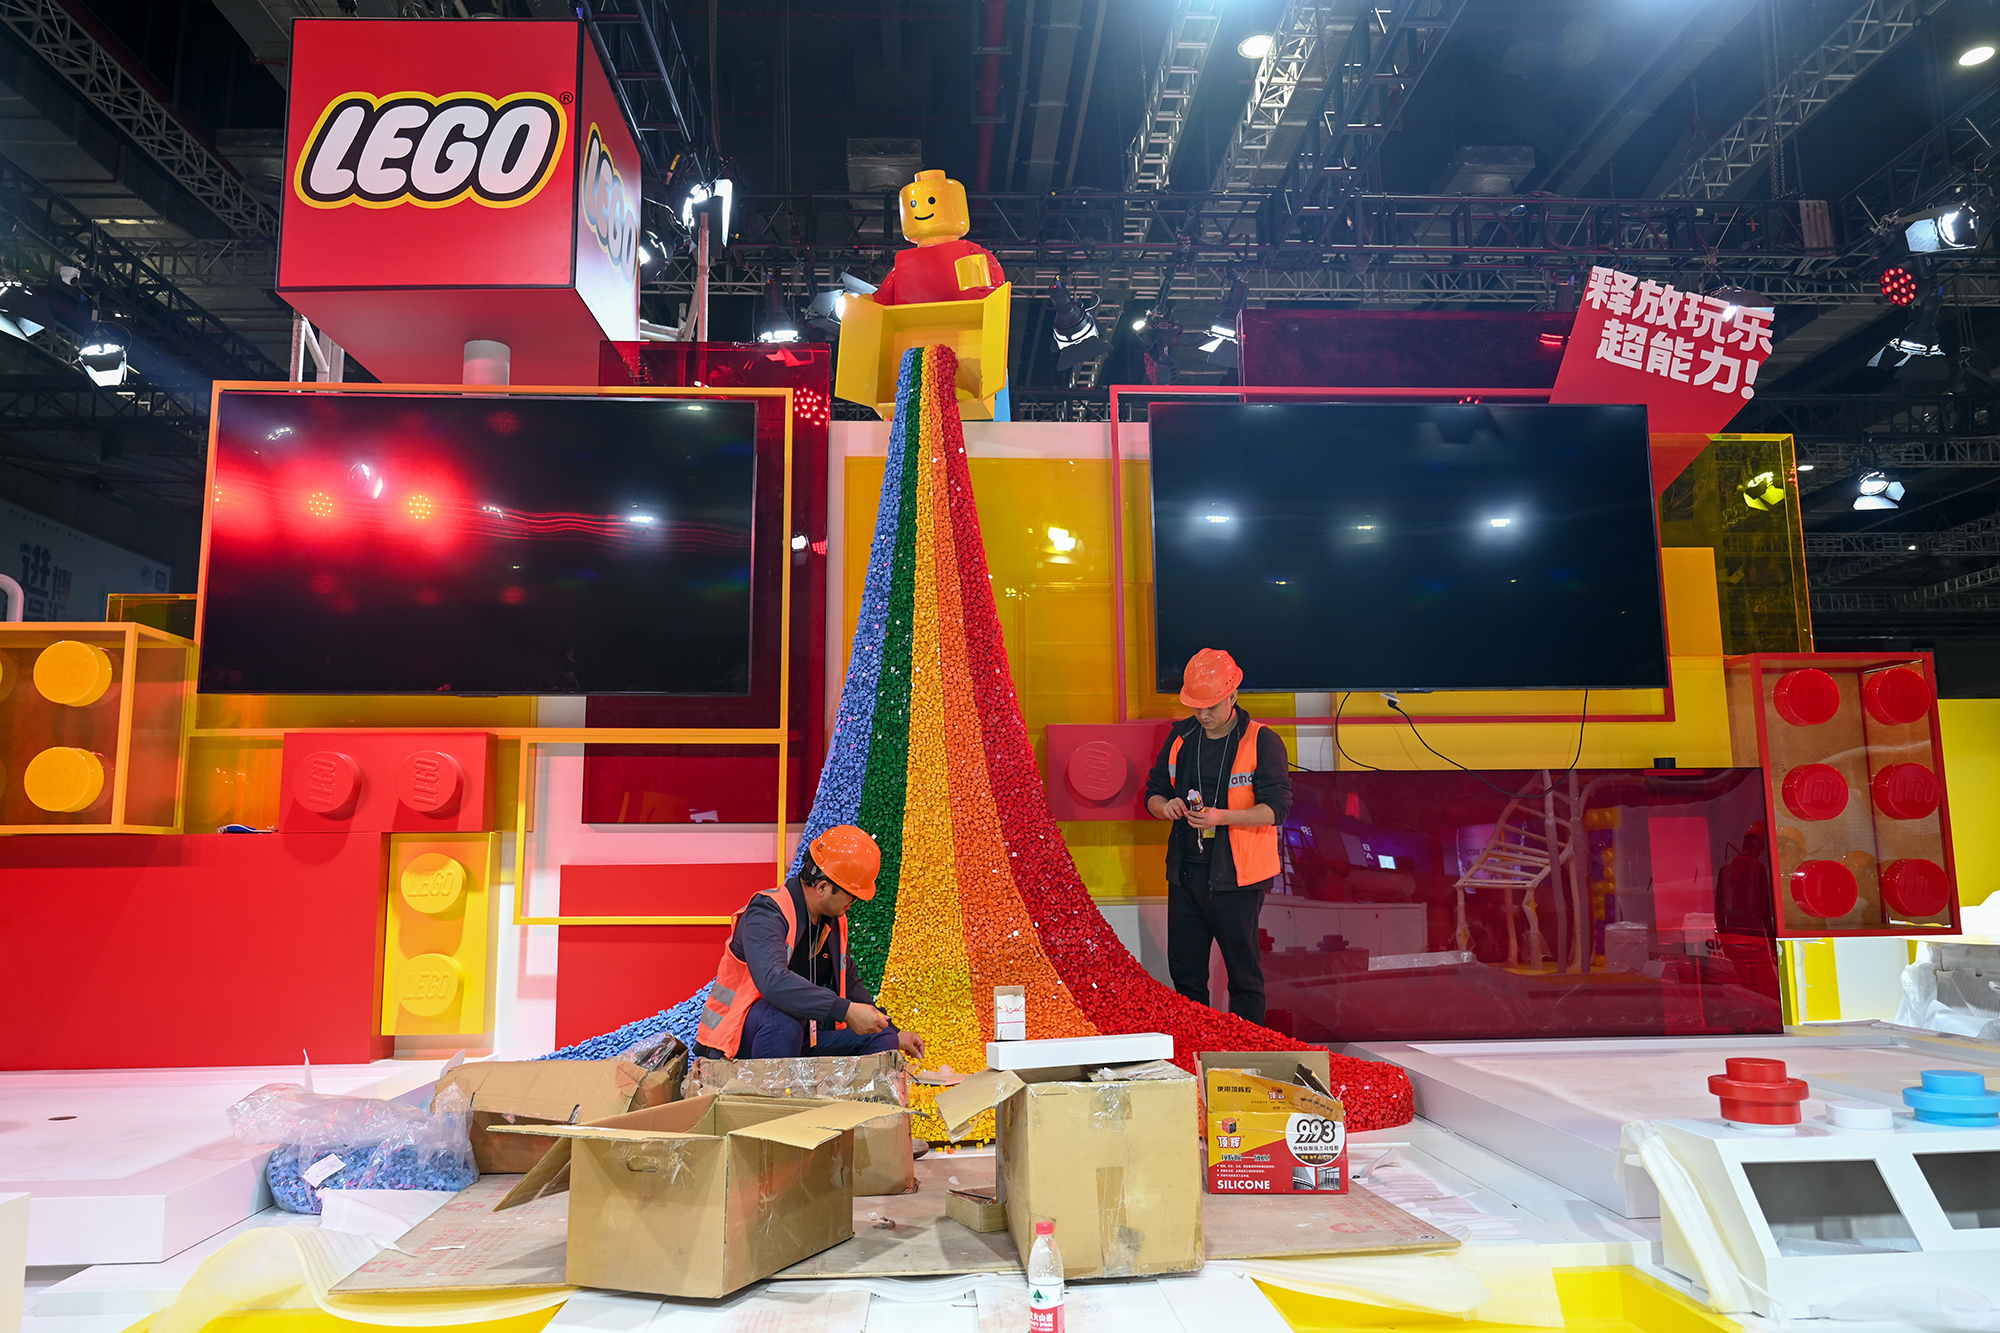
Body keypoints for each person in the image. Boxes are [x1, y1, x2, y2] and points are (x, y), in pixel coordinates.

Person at [1143, 648, 1292, 1025]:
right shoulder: (1180, 738)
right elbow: (1154, 793)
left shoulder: (1261, 741)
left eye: (1210, 706)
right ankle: (1196, 1047)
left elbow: (1276, 809)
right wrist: (1166, 807)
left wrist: (1221, 817)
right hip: (1186, 874)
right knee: (1186, 975)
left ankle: (1246, 1051)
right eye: (1196, 707)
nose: (1203, 715)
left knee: (1244, 975)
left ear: (1232, 696)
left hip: (1238, 878)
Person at [694, 825, 928, 1061]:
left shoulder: (834, 920)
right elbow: (773, 982)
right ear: (823, 887)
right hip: (737, 1041)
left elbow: (848, 981)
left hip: (799, 1037)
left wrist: (893, 1030)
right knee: (782, 1017)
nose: (853, 902)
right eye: (851, 894)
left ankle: (840, 1087)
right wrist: (845, 1011)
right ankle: (774, 1087)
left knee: (882, 1038)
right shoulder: (766, 913)